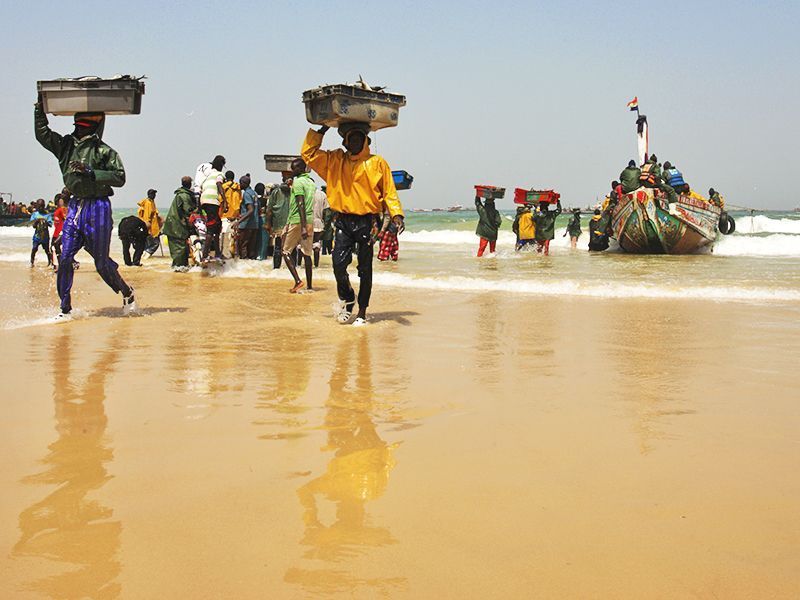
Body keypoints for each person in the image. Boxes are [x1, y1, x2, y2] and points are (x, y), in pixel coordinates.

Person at [34, 101, 136, 317]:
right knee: (65, 258)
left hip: (98, 207)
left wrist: (92, 173)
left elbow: (120, 177)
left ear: (92, 127)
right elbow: (43, 134)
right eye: (76, 126)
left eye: (82, 126)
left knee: (101, 263)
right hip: (76, 206)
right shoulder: (65, 146)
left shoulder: (104, 151)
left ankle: (126, 291)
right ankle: (65, 309)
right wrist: (39, 109)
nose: (77, 130)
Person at [302, 122, 404, 325]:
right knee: (338, 264)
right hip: (343, 220)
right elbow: (309, 154)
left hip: (368, 222)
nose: (355, 142)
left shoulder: (377, 163)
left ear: (366, 141)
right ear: (346, 142)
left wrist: (396, 214)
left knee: (365, 268)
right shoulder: (334, 160)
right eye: (351, 139)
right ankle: (348, 298)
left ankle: (362, 312)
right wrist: (322, 128)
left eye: (359, 138)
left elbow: (389, 191)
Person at [281, 158, 315, 293]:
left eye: (294, 168)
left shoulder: (298, 182)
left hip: (297, 221)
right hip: (310, 220)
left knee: (285, 251)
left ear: (300, 169)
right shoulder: (311, 183)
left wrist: (302, 226)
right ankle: (310, 286)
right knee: (307, 254)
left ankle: (298, 281)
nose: (291, 171)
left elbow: (300, 203)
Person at [162, 176, 197, 271]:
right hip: (176, 227)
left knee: (181, 250)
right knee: (179, 249)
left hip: (174, 225)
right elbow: (188, 211)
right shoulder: (184, 196)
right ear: (190, 184)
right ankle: (178, 269)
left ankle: (180, 268)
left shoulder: (181, 194)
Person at [199, 155, 228, 262]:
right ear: (221, 165)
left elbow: (201, 189)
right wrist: (225, 201)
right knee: (211, 229)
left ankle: (218, 253)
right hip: (212, 202)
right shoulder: (219, 174)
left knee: (217, 226)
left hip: (204, 201)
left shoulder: (208, 175)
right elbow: (219, 184)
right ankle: (204, 256)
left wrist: (199, 207)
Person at [265, 174, 291, 269]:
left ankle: (277, 269)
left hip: (280, 225)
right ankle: (291, 270)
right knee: (290, 249)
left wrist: (268, 224)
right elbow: (269, 210)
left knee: (278, 247)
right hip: (289, 225)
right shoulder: (292, 191)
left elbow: (269, 210)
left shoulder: (276, 192)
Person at [236, 175, 259, 259]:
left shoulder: (246, 194)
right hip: (255, 224)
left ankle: (243, 267)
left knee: (243, 246)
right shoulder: (254, 193)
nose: (239, 185)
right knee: (252, 249)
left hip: (246, 225)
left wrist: (239, 222)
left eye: (240, 183)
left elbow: (250, 210)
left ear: (243, 183)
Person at [220, 171, 241, 258]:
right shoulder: (238, 187)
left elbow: (220, 200)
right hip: (235, 216)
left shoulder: (223, 187)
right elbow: (240, 200)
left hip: (225, 216)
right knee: (234, 240)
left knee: (224, 239)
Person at [29, 199, 54, 268]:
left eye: (42, 206)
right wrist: (37, 221)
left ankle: (50, 263)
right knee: (34, 248)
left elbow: (50, 224)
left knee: (47, 250)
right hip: (37, 236)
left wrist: (46, 222)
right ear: (37, 206)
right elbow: (33, 226)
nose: (41, 208)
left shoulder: (47, 215)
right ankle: (32, 262)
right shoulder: (34, 214)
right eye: (39, 206)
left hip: (45, 236)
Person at [137, 188, 161, 256]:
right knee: (155, 243)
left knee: (148, 243)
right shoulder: (148, 203)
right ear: (149, 195)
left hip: (153, 226)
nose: (154, 195)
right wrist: (148, 228)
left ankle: (144, 255)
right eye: (153, 194)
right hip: (150, 227)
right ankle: (147, 254)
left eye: (155, 194)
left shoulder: (151, 202)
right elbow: (147, 216)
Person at [312, 184, 330, 267]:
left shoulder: (304, 192)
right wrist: (325, 226)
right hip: (318, 223)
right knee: (316, 245)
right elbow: (326, 212)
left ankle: (299, 266)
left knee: (302, 246)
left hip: (305, 222)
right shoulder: (322, 194)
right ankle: (316, 266)